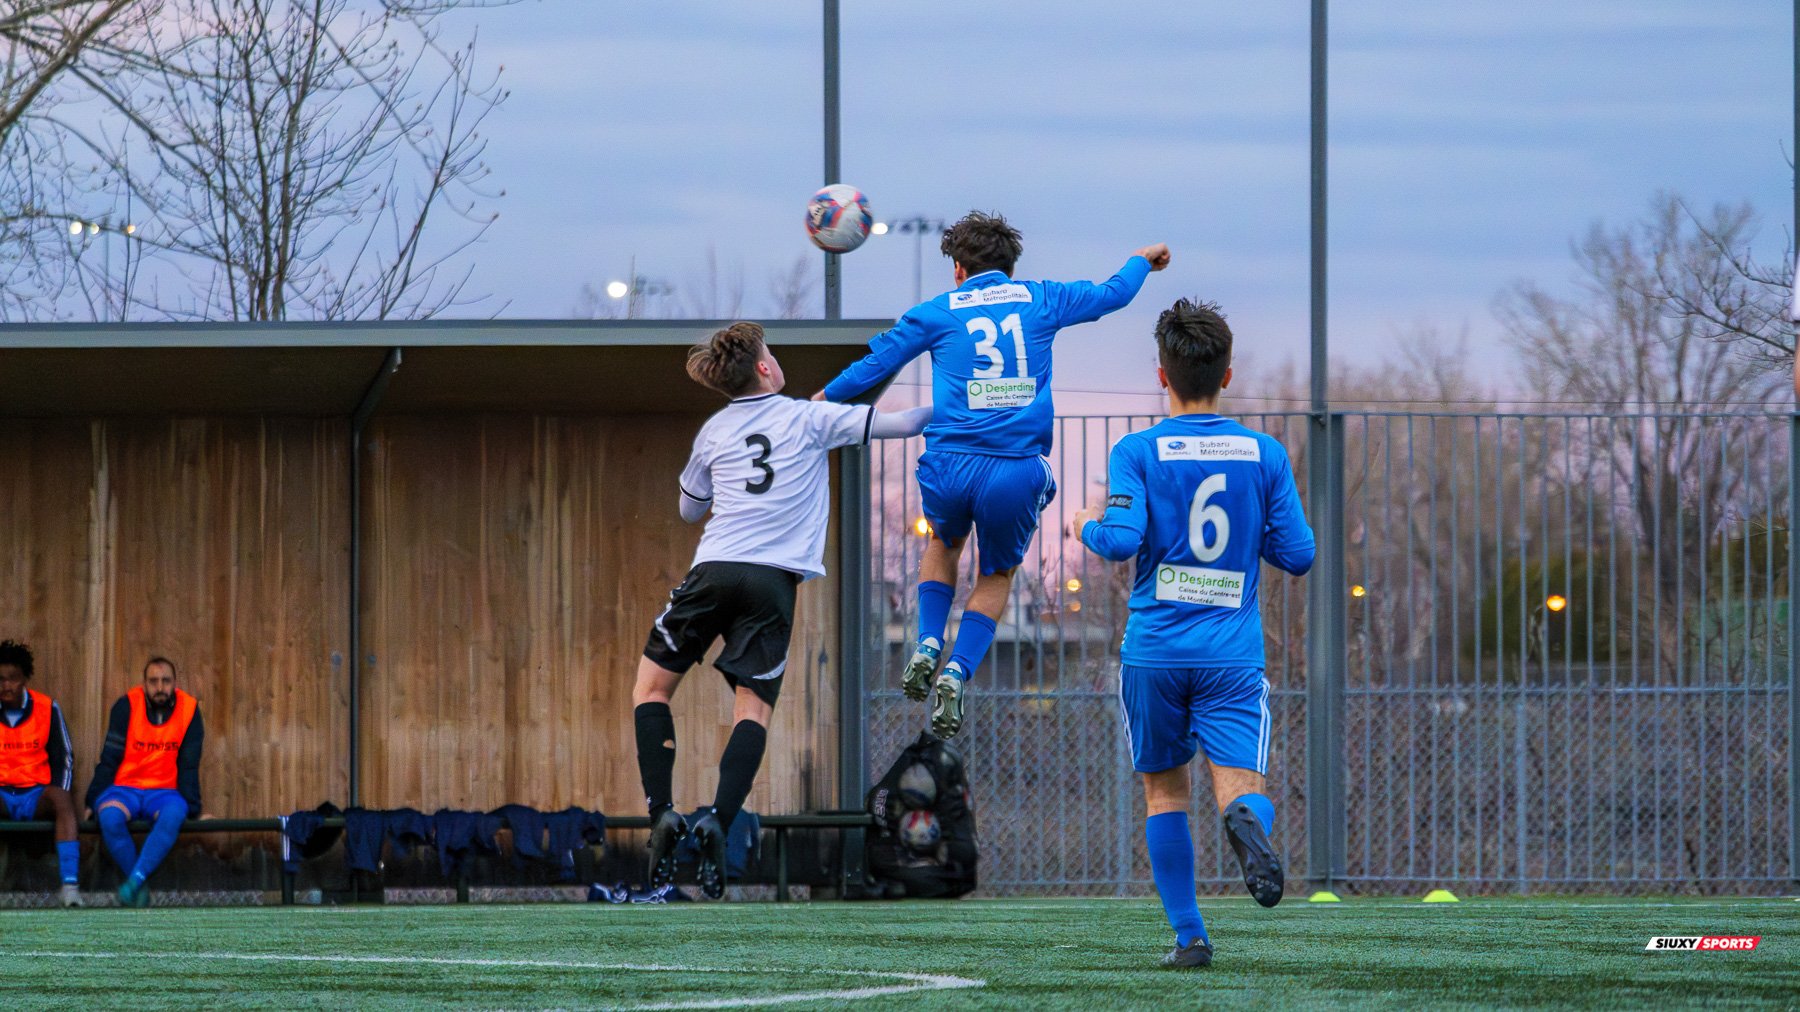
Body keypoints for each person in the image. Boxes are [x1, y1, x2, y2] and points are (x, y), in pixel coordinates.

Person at [815, 211, 1169, 738]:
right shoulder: (1042, 298)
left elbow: (876, 362)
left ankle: (929, 641)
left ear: (958, 269)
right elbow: (1112, 294)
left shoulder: (935, 311)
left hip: (950, 465)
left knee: (943, 540)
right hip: (1015, 471)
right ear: (1010, 265)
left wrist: (821, 399)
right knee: (997, 575)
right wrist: (1142, 261)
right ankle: (957, 671)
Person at [634, 322, 931, 899]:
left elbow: (689, 509)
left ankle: (662, 814)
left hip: (714, 570)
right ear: (765, 368)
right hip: (772, 585)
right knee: (754, 710)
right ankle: (719, 819)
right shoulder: (809, 417)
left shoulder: (714, 430)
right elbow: (906, 423)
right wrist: (974, 401)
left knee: (651, 690)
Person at [1071, 299, 1315, 968]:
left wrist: (1082, 524)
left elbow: (1118, 543)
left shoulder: (1137, 451)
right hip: (1231, 654)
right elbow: (1298, 555)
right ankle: (1246, 826)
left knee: (1164, 791)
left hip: (1154, 652)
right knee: (1240, 786)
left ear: (1162, 375)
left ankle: (1190, 937)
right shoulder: (1264, 454)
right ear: (1227, 374)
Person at [85, 657, 204, 908]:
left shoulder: (190, 709)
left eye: (165, 681)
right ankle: (137, 885)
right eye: (153, 681)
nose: (160, 687)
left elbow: (189, 764)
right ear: (144, 684)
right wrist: (91, 799)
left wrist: (192, 808)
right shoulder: (126, 706)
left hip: (164, 791)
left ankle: (134, 882)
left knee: (174, 815)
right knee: (108, 817)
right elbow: (109, 757)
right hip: (125, 787)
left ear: (175, 683)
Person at [0, 639, 81, 907]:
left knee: (62, 799)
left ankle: (69, 886)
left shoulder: (47, 707)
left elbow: (65, 756)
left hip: (35, 794)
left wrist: (60, 789)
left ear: (25, 678)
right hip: (2, 793)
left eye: (12, 679)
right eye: (0, 679)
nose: (6, 685)